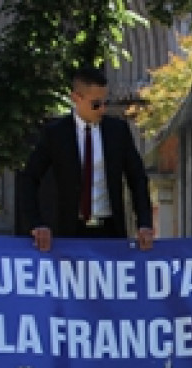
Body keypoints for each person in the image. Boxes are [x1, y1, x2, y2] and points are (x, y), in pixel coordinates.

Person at [22, 66, 154, 252]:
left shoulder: (117, 131)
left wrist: (144, 223)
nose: (102, 109)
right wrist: (36, 223)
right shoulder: (56, 133)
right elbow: (29, 178)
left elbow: (137, 178)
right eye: (96, 104)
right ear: (76, 98)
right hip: (68, 232)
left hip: (110, 231)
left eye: (105, 103)